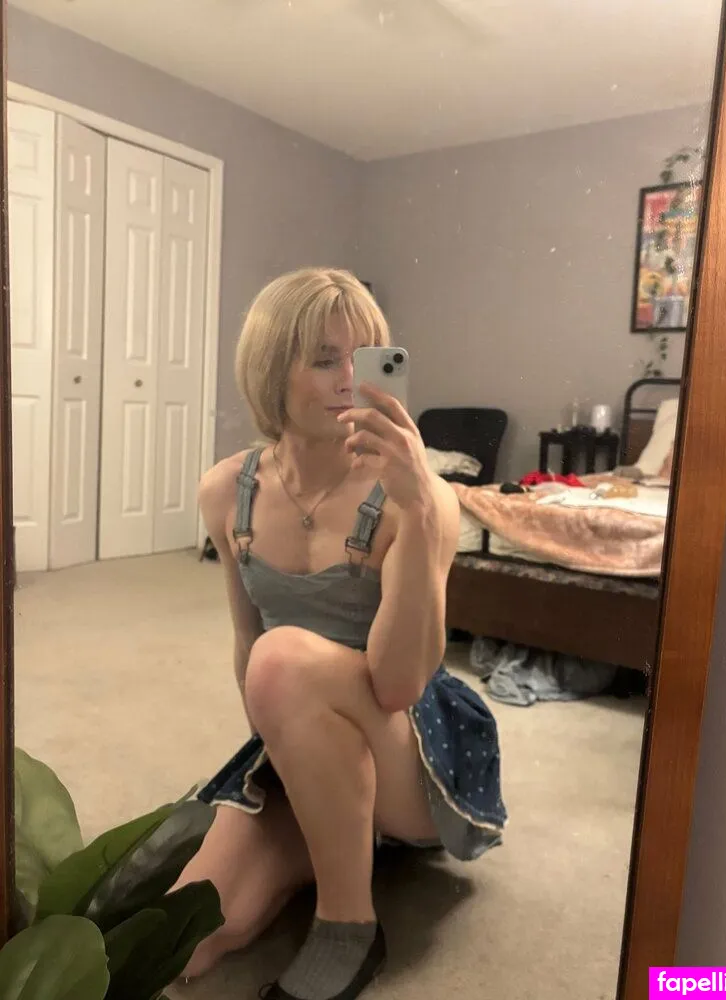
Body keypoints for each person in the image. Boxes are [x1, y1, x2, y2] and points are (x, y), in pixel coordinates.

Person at [173, 267, 507, 1000]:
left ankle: (349, 922)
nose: (349, 380)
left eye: (365, 359)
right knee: (184, 936)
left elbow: (398, 683)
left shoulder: (423, 500)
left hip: (413, 746)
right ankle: (319, 839)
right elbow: (244, 642)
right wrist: (282, 760)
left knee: (282, 658)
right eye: (325, 359)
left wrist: (418, 514)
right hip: (305, 730)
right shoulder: (227, 491)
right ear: (270, 368)